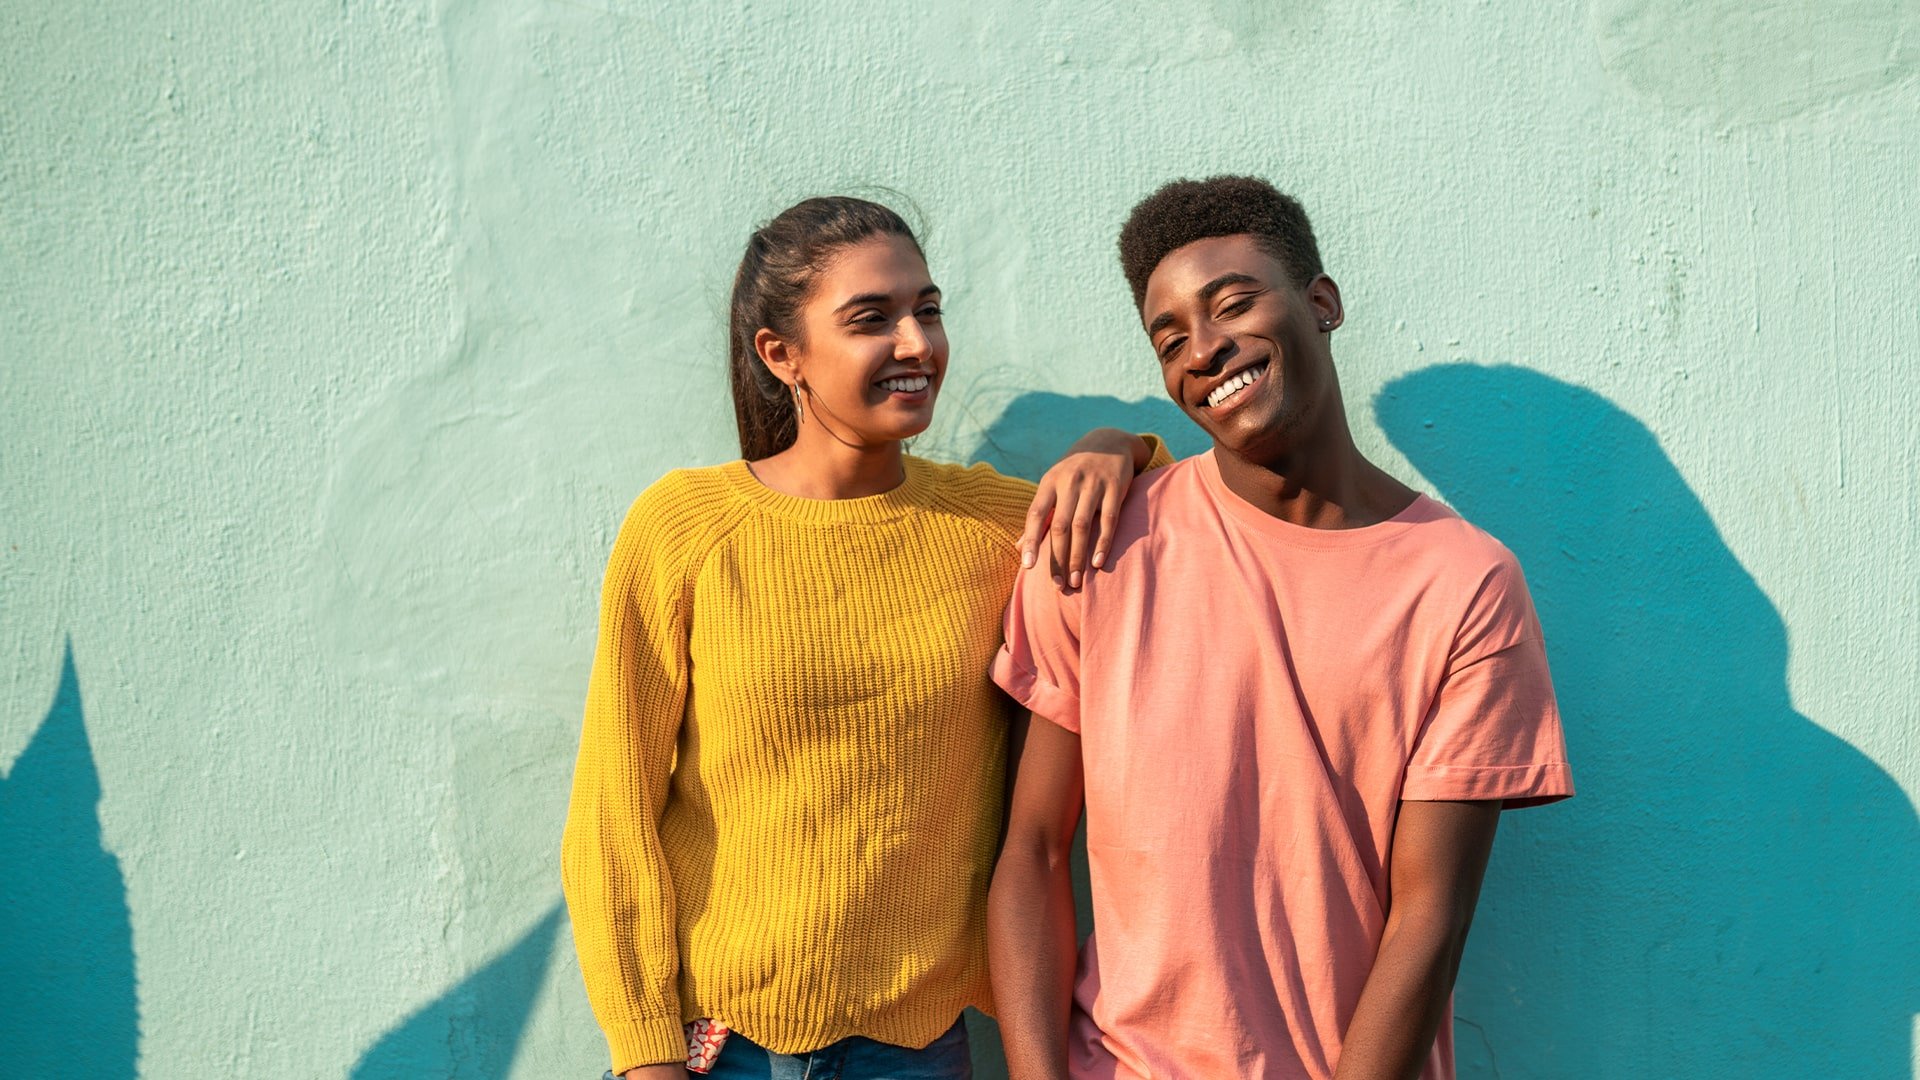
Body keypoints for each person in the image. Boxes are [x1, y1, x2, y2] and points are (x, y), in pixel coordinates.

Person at [561, 195, 1171, 1080]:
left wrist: (1123, 446)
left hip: (919, 1049)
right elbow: (611, 816)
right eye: (871, 320)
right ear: (783, 356)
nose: (918, 344)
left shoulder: (996, 525)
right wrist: (645, 1055)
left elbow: (1206, 518)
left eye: (928, 309)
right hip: (726, 1048)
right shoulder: (685, 528)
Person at [987, 176, 1574, 1080]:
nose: (1205, 349)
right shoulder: (1100, 547)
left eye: (1233, 303)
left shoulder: (1463, 585)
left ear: (1322, 303)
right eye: (1170, 336)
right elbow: (1032, 850)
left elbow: (1431, 915)